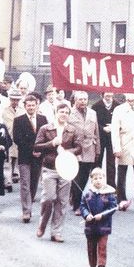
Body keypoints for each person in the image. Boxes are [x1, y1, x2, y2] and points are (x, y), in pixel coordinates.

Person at [34, 102, 82, 242]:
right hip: (49, 168)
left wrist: (67, 152)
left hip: (66, 169)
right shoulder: (45, 128)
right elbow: (37, 147)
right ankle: (42, 223)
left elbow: (79, 148)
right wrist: (52, 144)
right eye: (61, 112)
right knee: (49, 198)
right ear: (56, 113)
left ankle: (56, 231)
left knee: (62, 201)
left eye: (67, 113)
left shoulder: (73, 130)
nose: (64, 115)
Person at [12, 93, 47, 223]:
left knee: (33, 183)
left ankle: (30, 202)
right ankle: (26, 211)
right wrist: (32, 150)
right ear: (25, 106)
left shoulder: (43, 119)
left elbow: (46, 137)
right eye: (29, 105)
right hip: (25, 156)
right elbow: (17, 138)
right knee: (25, 183)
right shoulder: (19, 120)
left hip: (39, 156)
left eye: (33, 105)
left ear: (37, 105)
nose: (31, 107)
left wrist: (40, 150)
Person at [110, 93, 134, 212]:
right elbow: (114, 130)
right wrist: (116, 148)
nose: (131, 99)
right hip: (124, 144)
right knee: (121, 174)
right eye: (129, 96)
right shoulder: (118, 110)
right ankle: (121, 199)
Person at [79, 167, 118, 267]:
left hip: (104, 226)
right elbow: (82, 206)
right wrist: (87, 215)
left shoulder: (109, 193)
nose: (98, 180)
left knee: (102, 246)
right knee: (91, 246)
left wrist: (103, 215)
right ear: (91, 180)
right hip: (90, 226)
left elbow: (113, 207)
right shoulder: (87, 193)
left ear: (104, 179)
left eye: (100, 178)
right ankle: (92, 265)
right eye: (95, 178)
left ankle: (101, 266)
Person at [68, 91, 100, 213]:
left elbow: (96, 133)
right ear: (75, 100)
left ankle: (76, 198)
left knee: (85, 177)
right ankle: (77, 205)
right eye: (80, 99)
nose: (83, 102)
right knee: (77, 178)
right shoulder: (70, 113)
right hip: (76, 149)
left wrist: (98, 150)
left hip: (90, 148)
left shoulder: (93, 113)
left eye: (85, 99)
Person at [91, 91, 119, 189]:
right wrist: (102, 128)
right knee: (98, 160)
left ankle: (111, 186)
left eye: (111, 94)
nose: (109, 96)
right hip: (100, 137)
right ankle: (96, 184)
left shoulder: (117, 105)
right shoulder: (96, 106)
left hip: (112, 137)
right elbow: (93, 122)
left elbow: (120, 121)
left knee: (111, 162)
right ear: (102, 95)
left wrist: (114, 126)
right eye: (107, 94)